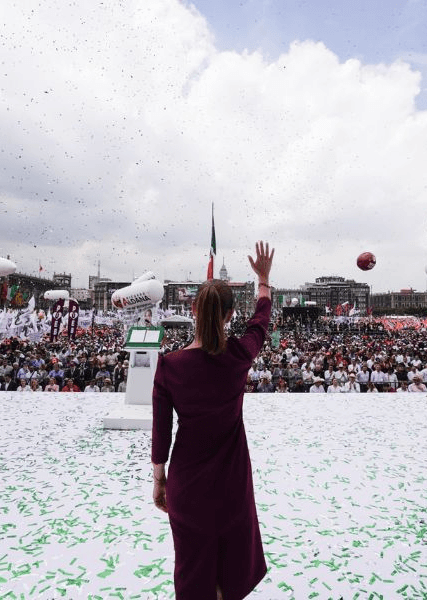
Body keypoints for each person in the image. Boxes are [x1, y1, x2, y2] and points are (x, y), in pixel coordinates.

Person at [152, 241, 273, 600]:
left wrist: (160, 481)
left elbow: (161, 434)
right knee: (231, 564)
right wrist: (263, 281)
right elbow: (261, 323)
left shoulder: (170, 365)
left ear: (192, 309)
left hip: (188, 481)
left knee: (193, 566)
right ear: (231, 314)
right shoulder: (239, 354)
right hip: (232, 479)